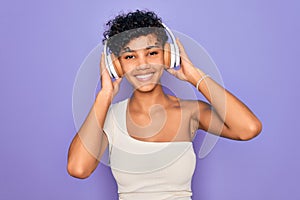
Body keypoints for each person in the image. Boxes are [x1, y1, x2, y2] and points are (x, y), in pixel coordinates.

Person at [67, 10, 262, 200]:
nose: (143, 64)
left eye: (152, 53)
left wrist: (194, 75)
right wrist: (104, 96)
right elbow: (78, 168)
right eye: (129, 56)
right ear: (116, 66)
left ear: (168, 55)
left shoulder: (191, 112)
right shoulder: (108, 118)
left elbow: (248, 129)